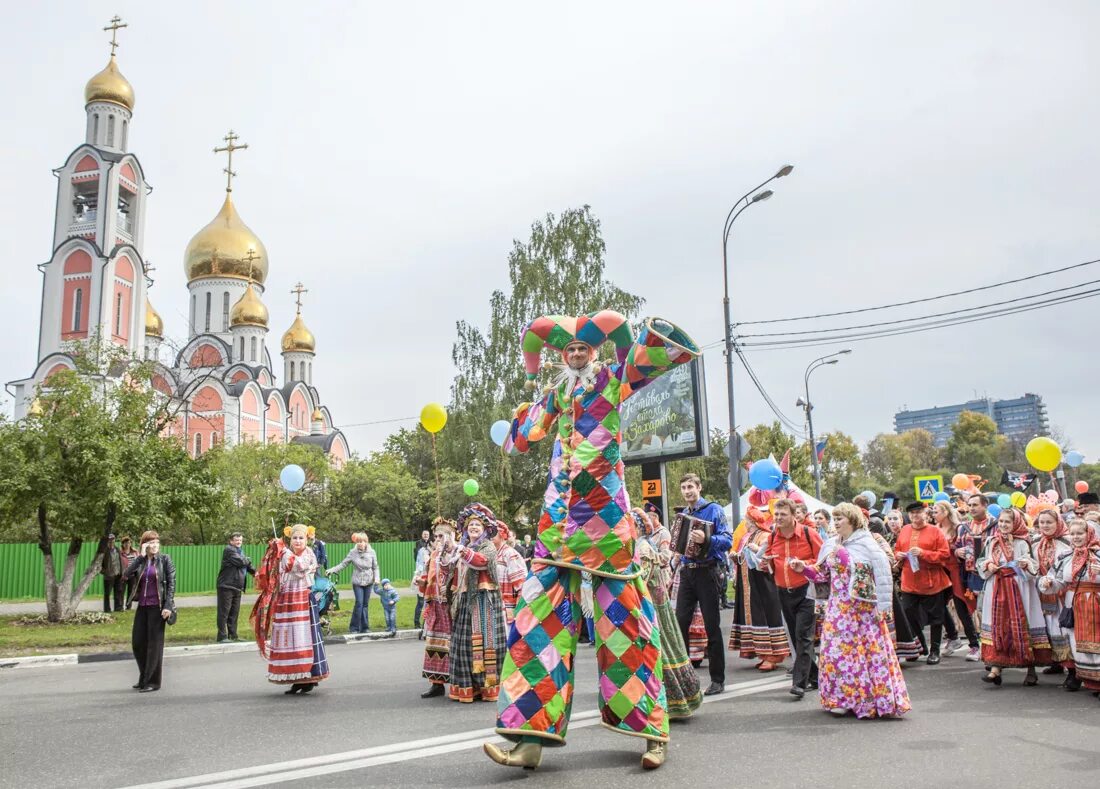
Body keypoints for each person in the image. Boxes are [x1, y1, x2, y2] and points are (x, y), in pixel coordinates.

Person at [485, 312, 697, 771]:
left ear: (596, 351)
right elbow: (524, 436)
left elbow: (657, 353)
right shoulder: (558, 392)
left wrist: (654, 335)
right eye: (570, 350)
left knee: (626, 627)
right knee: (534, 628)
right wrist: (516, 430)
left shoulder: (614, 380)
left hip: (606, 522)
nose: (577, 355)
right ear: (563, 355)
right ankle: (530, 739)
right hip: (557, 523)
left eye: (584, 348)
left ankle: (652, 733)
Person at [789, 503, 910, 719]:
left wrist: (846, 558)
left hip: (863, 609)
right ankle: (841, 699)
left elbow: (881, 574)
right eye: (834, 518)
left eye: (840, 518)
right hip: (838, 607)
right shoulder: (831, 544)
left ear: (852, 520)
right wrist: (805, 569)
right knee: (836, 654)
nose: (836, 522)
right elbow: (823, 575)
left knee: (866, 655)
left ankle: (868, 699)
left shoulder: (867, 544)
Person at [634, 508, 702, 719]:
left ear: (636, 527)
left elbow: (641, 580)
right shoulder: (638, 546)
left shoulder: (643, 548)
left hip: (653, 608)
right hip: (653, 605)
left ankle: (671, 702)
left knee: (660, 649)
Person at [977, 508, 1049, 686]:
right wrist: (989, 564)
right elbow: (980, 561)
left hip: (1020, 587)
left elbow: (1035, 566)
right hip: (997, 586)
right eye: (1001, 521)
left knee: (1024, 623)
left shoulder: (1024, 542)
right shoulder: (992, 541)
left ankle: (1031, 670)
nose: (1003, 525)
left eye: (1007, 522)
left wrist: (1025, 564)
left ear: (1016, 523)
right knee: (998, 625)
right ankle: (995, 668)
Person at [675, 473, 733, 694]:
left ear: (699, 488)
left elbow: (727, 539)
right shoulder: (683, 514)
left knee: (712, 626)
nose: (687, 491)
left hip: (707, 571)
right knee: (680, 624)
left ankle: (717, 680)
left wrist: (706, 539)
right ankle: (683, 678)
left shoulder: (714, 509)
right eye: (683, 487)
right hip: (687, 572)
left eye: (690, 486)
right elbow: (680, 544)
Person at [446, 503, 507, 704]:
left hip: (484, 601)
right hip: (465, 600)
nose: (473, 527)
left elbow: (481, 561)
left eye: (477, 525)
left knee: (486, 644)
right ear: (465, 528)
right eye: (470, 524)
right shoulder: (461, 548)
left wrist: (462, 552)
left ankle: (487, 687)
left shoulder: (487, 546)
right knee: (463, 645)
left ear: (484, 529)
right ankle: (467, 688)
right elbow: (453, 574)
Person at [764, 498, 822, 700]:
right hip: (783, 592)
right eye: (776, 514)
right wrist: (766, 563)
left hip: (807, 591)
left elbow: (822, 561)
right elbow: (769, 558)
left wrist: (805, 565)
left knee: (803, 636)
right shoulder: (772, 537)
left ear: (793, 514)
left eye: (783, 514)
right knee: (798, 638)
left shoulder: (808, 533)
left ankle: (799, 683)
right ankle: (815, 677)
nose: (778, 518)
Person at [1039, 520, 1100, 692]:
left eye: (1079, 533)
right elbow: (1058, 580)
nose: (1076, 537)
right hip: (1073, 603)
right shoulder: (1066, 556)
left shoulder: (1099, 554)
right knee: (1077, 642)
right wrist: (1048, 582)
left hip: (1096, 603)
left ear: (1089, 533)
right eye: (1072, 534)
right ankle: (1090, 681)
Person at [729, 502, 790, 672]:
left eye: (747, 520)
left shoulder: (765, 535)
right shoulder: (746, 537)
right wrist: (736, 557)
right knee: (753, 616)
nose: (745, 523)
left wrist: (755, 549)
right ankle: (763, 653)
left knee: (766, 614)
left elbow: (767, 556)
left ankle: (773, 655)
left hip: (762, 584)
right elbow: (743, 556)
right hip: (748, 583)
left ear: (754, 522)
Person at [894, 502, 952, 664]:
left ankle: (935, 651)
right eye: (912, 513)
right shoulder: (905, 530)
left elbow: (944, 555)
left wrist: (923, 553)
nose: (915, 516)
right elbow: (897, 549)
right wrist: (898, 555)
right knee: (907, 613)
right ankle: (921, 646)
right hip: (909, 582)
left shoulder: (935, 531)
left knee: (936, 618)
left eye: (918, 512)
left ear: (926, 513)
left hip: (932, 582)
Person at [121, 531, 176, 692]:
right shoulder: (141, 561)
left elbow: (171, 585)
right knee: (138, 643)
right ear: (144, 545)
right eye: (151, 543)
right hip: (143, 607)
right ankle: (143, 677)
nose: (154, 546)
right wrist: (140, 557)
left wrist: (168, 606)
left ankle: (152, 682)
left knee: (154, 646)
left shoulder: (165, 560)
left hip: (158, 608)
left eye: (157, 543)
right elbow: (126, 575)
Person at [931, 501, 980, 660]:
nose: (933, 514)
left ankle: (974, 645)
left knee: (961, 608)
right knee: (938, 606)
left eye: (936, 511)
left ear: (946, 511)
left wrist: (958, 551)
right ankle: (953, 637)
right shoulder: (935, 529)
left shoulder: (959, 528)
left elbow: (969, 548)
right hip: (941, 571)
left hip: (956, 571)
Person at [1031, 509, 1073, 680]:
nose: (1045, 526)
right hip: (1042, 591)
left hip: (1062, 592)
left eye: (1049, 522)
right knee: (1048, 626)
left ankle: (1072, 670)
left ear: (1058, 523)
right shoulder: (1035, 542)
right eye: (1042, 522)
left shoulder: (1067, 542)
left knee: (1063, 628)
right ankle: (1056, 661)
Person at [419, 518, 456, 698]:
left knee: (453, 644)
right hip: (435, 604)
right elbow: (427, 576)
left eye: (442, 535)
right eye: (437, 536)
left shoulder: (457, 552)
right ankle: (437, 683)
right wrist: (422, 581)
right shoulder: (434, 555)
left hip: (451, 605)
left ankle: (459, 682)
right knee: (434, 643)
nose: (439, 539)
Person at [327, 532, 379, 634]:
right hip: (357, 582)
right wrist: (332, 570)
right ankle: (354, 628)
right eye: (358, 541)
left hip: (369, 581)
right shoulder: (353, 552)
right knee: (359, 603)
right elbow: (343, 564)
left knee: (365, 604)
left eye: (362, 541)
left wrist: (377, 578)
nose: (360, 543)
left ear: (366, 542)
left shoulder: (372, 552)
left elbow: (375, 567)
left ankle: (365, 628)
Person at [216, 532, 256, 643]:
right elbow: (241, 562)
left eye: (240, 540)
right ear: (231, 541)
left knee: (234, 612)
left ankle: (233, 635)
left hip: (237, 587)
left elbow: (246, 565)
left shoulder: (240, 551)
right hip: (226, 586)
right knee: (224, 612)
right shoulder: (229, 550)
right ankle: (222, 636)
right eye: (236, 540)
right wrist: (247, 559)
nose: (239, 542)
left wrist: (255, 573)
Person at [494, 524, 528, 628]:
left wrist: (519, 611)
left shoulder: (510, 553)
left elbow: (522, 584)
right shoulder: (494, 553)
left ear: (501, 535)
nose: (488, 536)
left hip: (508, 610)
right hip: (497, 608)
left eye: (492, 533)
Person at [100, 534, 125, 613]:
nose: (111, 541)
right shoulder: (104, 551)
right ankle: (107, 609)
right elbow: (99, 564)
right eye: (110, 540)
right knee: (107, 594)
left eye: (113, 539)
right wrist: (105, 572)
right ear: (107, 541)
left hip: (118, 574)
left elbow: (120, 561)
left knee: (118, 592)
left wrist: (122, 572)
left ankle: (118, 608)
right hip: (108, 576)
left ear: (114, 540)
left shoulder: (117, 549)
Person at [412, 539, 430, 631]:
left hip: (430, 582)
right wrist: (418, 576)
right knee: (420, 603)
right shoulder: (421, 552)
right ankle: (417, 623)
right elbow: (418, 564)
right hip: (422, 578)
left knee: (428, 604)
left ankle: (425, 626)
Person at [119, 537, 139, 610]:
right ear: (123, 544)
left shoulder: (135, 552)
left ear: (130, 544)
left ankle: (128, 606)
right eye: (125, 543)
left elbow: (138, 562)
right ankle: (120, 606)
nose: (127, 544)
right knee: (121, 591)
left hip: (133, 574)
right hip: (123, 574)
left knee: (131, 591)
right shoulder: (120, 553)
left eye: (129, 543)